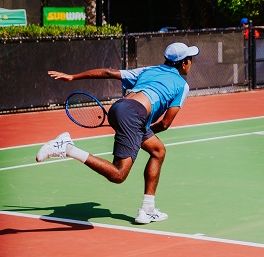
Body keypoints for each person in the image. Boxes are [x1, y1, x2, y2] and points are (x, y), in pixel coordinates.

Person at [38, 42, 200, 225]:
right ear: (184, 63)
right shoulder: (182, 85)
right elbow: (164, 123)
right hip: (135, 114)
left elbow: (108, 73)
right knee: (118, 174)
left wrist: (73, 77)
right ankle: (67, 147)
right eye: (190, 59)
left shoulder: (149, 70)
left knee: (158, 151)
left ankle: (148, 209)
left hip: (119, 108)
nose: (191, 63)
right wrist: (138, 130)